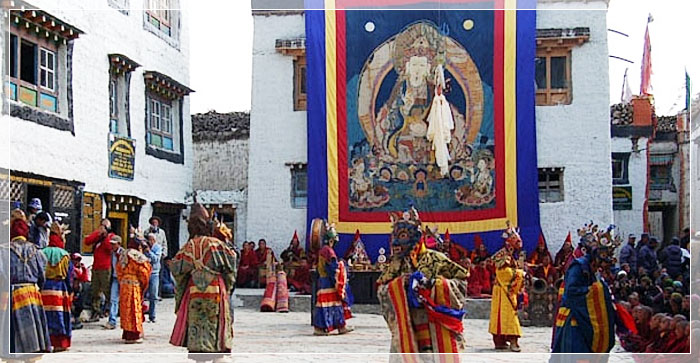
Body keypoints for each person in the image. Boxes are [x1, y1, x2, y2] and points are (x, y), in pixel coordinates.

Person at [377, 209, 469, 353]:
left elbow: (462, 284)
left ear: (416, 237)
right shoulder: (395, 265)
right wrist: (400, 285)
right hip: (407, 327)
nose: (395, 241)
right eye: (394, 236)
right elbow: (382, 290)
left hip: (434, 328)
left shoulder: (436, 259)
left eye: (402, 236)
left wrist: (437, 285)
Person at [169, 203, 236, 354]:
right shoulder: (216, 244)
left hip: (194, 292)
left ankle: (199, 352)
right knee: (216, 323)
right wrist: (227, 285)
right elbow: (231, 266)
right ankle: (217, 349)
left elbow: (176, 269)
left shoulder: (188, 247)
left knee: (197, 324)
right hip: (216, 288)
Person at [552, 224, 618, 353]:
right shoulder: (578, 266)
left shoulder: (593, 269)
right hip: (574, 318)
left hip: (586, 316)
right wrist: (596, 290)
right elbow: (571, 292)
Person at [9, 209, 51, 353]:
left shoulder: (4, 250)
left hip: (12, 294)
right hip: (32, 293)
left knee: (13, 332)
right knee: (32, 331)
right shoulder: (36, 251)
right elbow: (42, 276)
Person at [489, 222, 525, 352]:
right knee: (508, 315)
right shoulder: (502, 255)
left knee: (506, 315)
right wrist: (520, 274)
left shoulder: (512, 255)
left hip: (504, 290)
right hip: (502, 290)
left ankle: (505, 340)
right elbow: (503, 273)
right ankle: (510, 341)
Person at [313, 222, 354, 336]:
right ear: (331, 240)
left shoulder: (323, 250)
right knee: (329, 305)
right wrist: (340, 269)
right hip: (328, 282)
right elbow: (332, 267)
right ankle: (321, 329)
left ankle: (341, 327)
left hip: (323, 281)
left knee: (334, 305)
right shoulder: (329, 251)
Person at [40, 222, 73, 352]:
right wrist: (70, 290)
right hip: (60, 288)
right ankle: (60, 343)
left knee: (45, 316)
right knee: (60, 315)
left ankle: (45, 343)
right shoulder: (65, 255)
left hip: (44, 287)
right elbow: (69, 275)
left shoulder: (42, 252)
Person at [116, 234, 152, 344]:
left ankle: (127, 332)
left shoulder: (123, 254)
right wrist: (143, 284)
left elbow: (118, 270)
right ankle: (134, 334)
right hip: (134, 284)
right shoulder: (137, 256)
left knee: (125, 309)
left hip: (123, 285)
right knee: (134, 308)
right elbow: (143, 272)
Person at [83, 219, 115, 321]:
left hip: (105, 268)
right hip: (96, 267)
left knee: (107, 291)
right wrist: (98, 234)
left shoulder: (111, 237)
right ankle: (95, 311)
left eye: (105, 226)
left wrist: (105, 235)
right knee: (95, 291)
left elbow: (109, 248)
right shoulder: (98, 236)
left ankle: (111, 311)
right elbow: (87, 241)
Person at [105, 235, 124, 330]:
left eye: (114, 244)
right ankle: (112, 320)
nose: (112, 246)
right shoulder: (112, 253)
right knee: (113, 299)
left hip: (124, 279)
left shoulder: (124, 253)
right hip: (115, 278)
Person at [144, 233, 162, 323]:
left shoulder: (157, 248)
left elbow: (156, 259)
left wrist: (149, 252)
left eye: (151, 240)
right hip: (145, 273)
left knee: (153, 295)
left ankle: (152, 315)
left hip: (154, 273)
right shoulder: (145, 247)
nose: (149, 242)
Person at [70, 253, 89, 330]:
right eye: (75, 260)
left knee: (79, 304)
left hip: (77, 290)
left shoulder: (80, 269)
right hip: (70, 289)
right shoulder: (69, 268)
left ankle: (76, 317)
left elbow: (84, 279)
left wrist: (84, 269)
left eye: (78, 260)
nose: (76, 262)